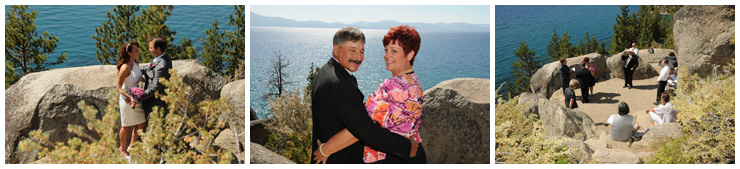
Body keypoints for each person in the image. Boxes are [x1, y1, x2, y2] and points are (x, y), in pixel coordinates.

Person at [314, 25, 426, 164]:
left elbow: (364, 129)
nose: (387, 55)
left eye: (394, 51)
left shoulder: (396, 88)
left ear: (410, 55)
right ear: (336, 49)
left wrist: (325, 150)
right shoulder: (411, 81)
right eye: (386, 50)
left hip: (395, 158)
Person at [134, 36, 173, 131]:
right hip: (152, 101)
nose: (149, 49)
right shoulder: (161, 57)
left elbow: (155, 87)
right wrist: (136, 69)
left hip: (154, 102)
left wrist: (138, 97)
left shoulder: (162, 64)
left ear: (158, 49)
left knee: (152, 128)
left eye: (151, 47)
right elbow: (150, 68)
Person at [116, 41, 146, 158]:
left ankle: (132, 146)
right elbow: (118, 88)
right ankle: (122, 149)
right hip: (127, 99)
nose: (138, 52)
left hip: (137, 97)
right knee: (126, 125)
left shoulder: (136, 63)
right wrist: (130, 97)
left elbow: (139, 78)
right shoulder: (125, 68)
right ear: (129, 53)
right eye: (136, 51)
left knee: (141, 123)